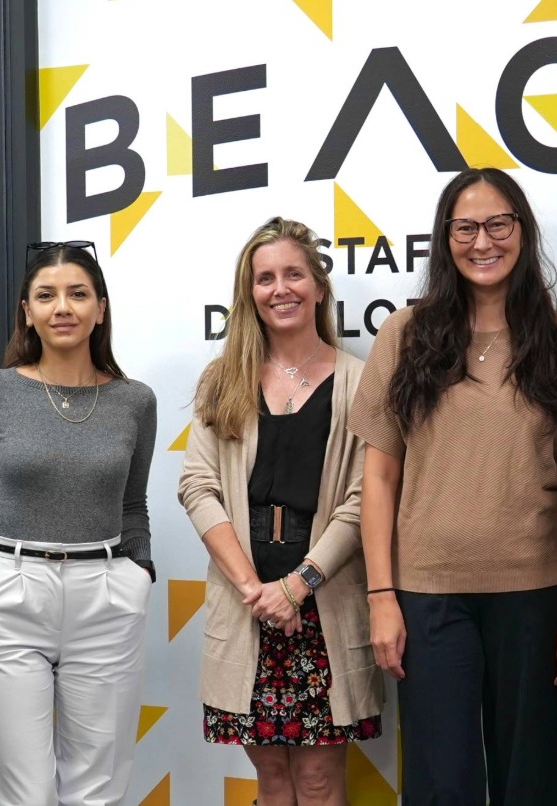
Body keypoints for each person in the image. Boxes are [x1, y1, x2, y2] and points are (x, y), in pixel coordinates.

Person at [351, 167, 557, 805]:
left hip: (541, 596)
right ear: (445, 239)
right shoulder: (405, 336)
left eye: (499, 224)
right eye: (465, 227)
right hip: (429, 597)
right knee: (442, 784)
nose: (482, 241)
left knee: (534, 781)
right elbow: (379, 477)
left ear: (522, 231)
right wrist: (382, 595)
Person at [177, 218, 381, 806]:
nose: (280, 288)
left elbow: (363, 500)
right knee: (270, 779)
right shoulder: (224, 380)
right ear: (249, 295)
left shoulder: (360, 383)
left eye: (294, 273)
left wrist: (297, 587)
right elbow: (197, 485)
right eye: (264, 278)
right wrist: (258, 591)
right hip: (247, 610)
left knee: (317, 781)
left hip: (325, 606)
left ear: (319, 286)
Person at [0, 242, 159, 806]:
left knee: (98, 790)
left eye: (77, 294)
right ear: (27, 311)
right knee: (21, 791)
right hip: (8, 590)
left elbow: (133, 505)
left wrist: (140, 570)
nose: (62, 307)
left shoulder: (135, 401)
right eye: (46, 295)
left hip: (106, 593)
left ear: (101, 308)